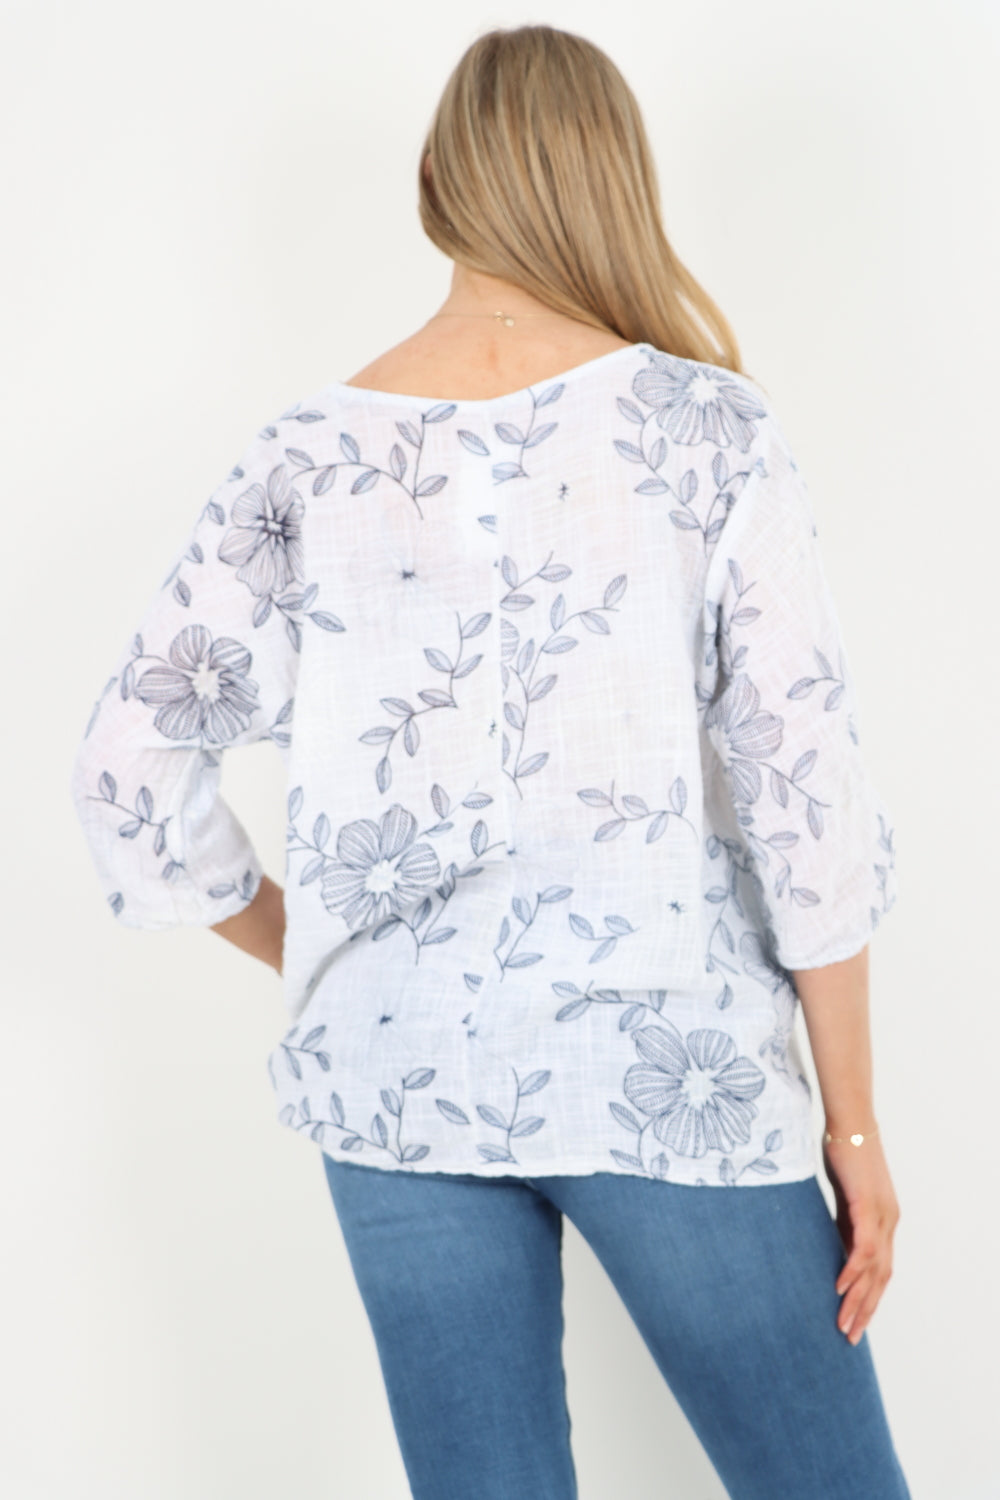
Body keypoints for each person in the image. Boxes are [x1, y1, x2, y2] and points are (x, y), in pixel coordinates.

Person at [69, 22, 912, 1500]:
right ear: (614, 180)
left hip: (395, 1080)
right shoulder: (710, 432)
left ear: (438, 183)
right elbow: (804, 796)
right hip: (671, 1068)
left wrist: (311, 945)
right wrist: (852, 1125)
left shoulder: (305, 455)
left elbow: (129, 767)